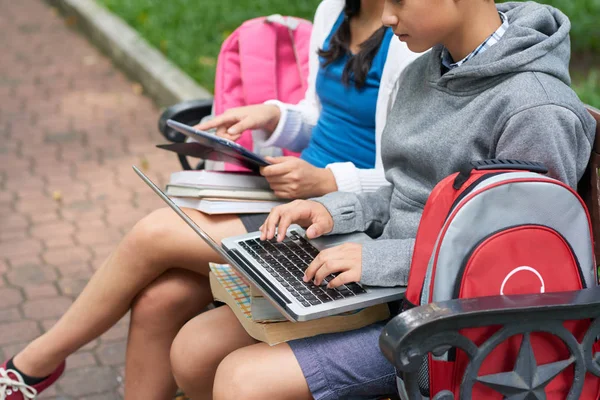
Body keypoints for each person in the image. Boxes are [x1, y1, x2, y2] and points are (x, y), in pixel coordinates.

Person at [166, 0, 598, 399]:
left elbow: (516, 265)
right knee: (194, 349)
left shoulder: (536, 111)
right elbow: (402, 189)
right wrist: (332, 211)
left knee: (244, 380)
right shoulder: (422, 72)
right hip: (384, 291)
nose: (386, 18)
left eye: (399, 0)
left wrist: (378, 262)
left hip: (445, 331)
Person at [0, 1, 419, 399]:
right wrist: (273, 115)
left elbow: (400, 178)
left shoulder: (407, 29)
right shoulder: (334, 9)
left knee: (152, 235)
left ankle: (33, 364)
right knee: (159, 300)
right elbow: (320, 112)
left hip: (337, 216)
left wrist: (328, 179)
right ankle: (34, 367)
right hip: (292, 190)